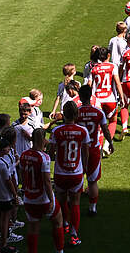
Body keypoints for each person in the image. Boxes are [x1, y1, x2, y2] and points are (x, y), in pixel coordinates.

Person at [17, 128, 66, 253]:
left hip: (29, 198)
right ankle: (59, 250)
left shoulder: (23, 155)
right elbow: (47, 181)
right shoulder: (44, 157)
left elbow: (22, 176)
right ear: (43, 139)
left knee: (33, 228)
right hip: (42, 199)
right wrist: (51, 199)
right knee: (58, 221)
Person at [50, 102, 90, 248]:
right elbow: (85, 153)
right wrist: (85, 169)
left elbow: (51, 152)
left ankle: (64, 224)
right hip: (76, 172)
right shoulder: (83, 131)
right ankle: (74, 234)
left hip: (60, 172)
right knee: (75, 203)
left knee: (61, 201)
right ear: (76, 115)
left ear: (64, 114)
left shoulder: (56, 131)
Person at [73, 86, 108, 210]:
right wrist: (110, 143)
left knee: (78, 177)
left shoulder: (76, 112)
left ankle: (75, 205)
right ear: (91, 95)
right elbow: (105, 130)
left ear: (80, 97)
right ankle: (92, 207)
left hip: (78, 149)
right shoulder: (99, 112)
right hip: (93, 148)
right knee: (92, 181)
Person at [0, 132, 20, 253]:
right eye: (7, 147)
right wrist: (15, 195)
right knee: (5, 220)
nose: (9, 148)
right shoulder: (2, 164)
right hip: (4, 196)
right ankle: (4, 245)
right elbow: (8, 181)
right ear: (1, 150)